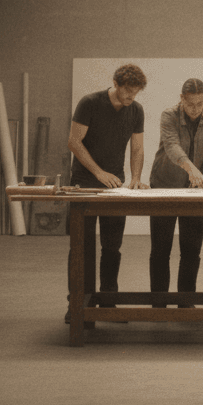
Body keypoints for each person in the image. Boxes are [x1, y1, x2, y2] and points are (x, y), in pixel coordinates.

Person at [68, 64, 148, 314]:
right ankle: (77, 303)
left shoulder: (135, 110)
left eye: (135, 92)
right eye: (127, 91)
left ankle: (109, 300)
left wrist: (135, 177)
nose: (131, 97)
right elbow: (74, 141)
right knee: (81, 246)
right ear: (116, 83)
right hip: (84, 183)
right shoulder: (90, 103)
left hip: (115, 185)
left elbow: (137, 148)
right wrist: (98, 173)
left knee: (112, 246)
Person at [147, 79, 203, 305]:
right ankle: (159, 302)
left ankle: (186, 301)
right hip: (163, 185)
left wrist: (200, 179)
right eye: (191, 104)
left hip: (194, 191)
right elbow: (171, 146)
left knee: (191, 249)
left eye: (200, 103)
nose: (196, 109)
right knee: (161, 248)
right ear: (181, 99)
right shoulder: (168, 115)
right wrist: (192, 169)